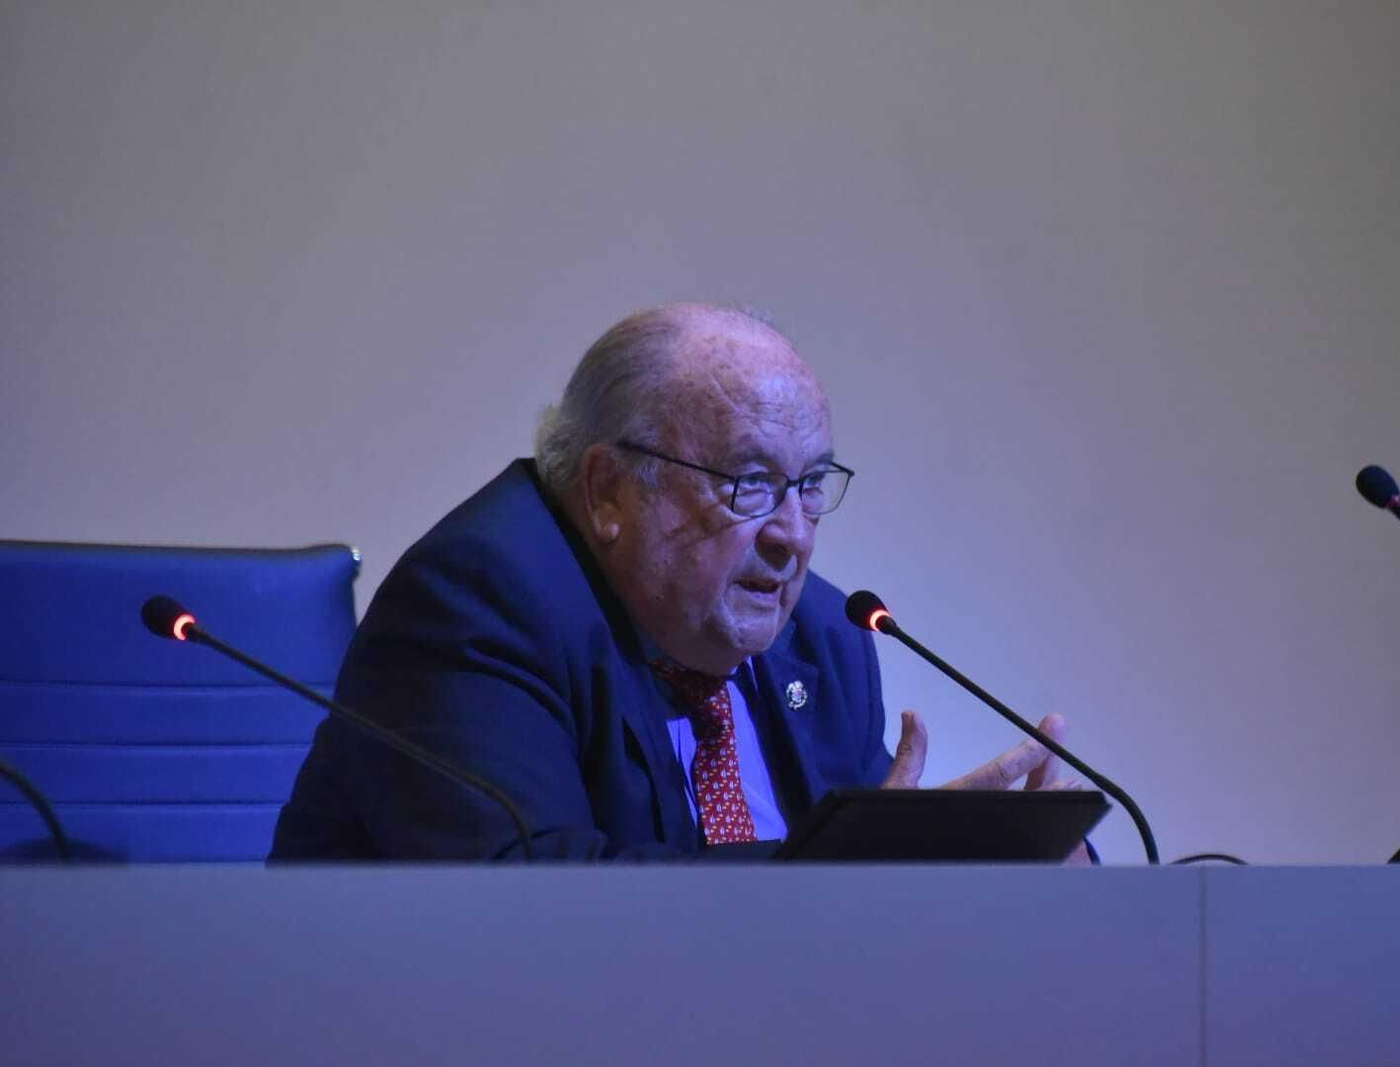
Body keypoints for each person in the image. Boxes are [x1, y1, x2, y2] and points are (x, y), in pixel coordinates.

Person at [272, 303, 1081, 860]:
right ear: (609, 493)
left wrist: (997, 869)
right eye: (750, 483)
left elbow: (867, 883)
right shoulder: (476, 606)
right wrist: (845, 874)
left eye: (810, 485)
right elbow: (524, 909)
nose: (793, 535)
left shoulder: (825, 640)